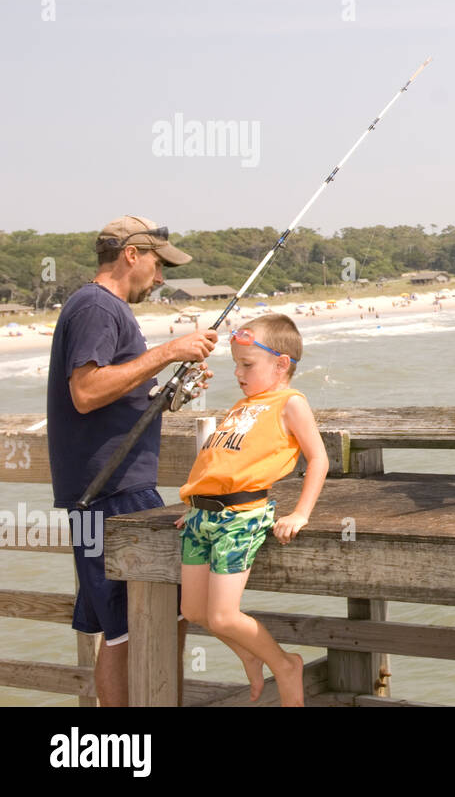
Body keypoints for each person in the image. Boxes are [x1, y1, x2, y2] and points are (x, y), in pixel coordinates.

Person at [48, 215, 217, 706]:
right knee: (158, 615)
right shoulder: (97, 306)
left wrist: (165, 394)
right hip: (110, 492)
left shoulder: (101, 307)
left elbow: (112, 394)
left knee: (120, 629)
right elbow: (85, 391)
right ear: (132, 255)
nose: (161, 277)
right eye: (159, 264)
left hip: (103, 493)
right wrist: (169, 351)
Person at [175, 313, 327, 706]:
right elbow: (219, 464)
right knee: (193, 610)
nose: (239, 374)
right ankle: (250, 653)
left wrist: (301, 513)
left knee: (224, 616)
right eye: (236, 365)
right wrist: (195, 503)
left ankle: (285, 664)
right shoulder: (242, 406)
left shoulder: (289, 403)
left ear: (281, 365)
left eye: (247, 365)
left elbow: (319, 459)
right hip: (201, 517)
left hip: (240, 518)